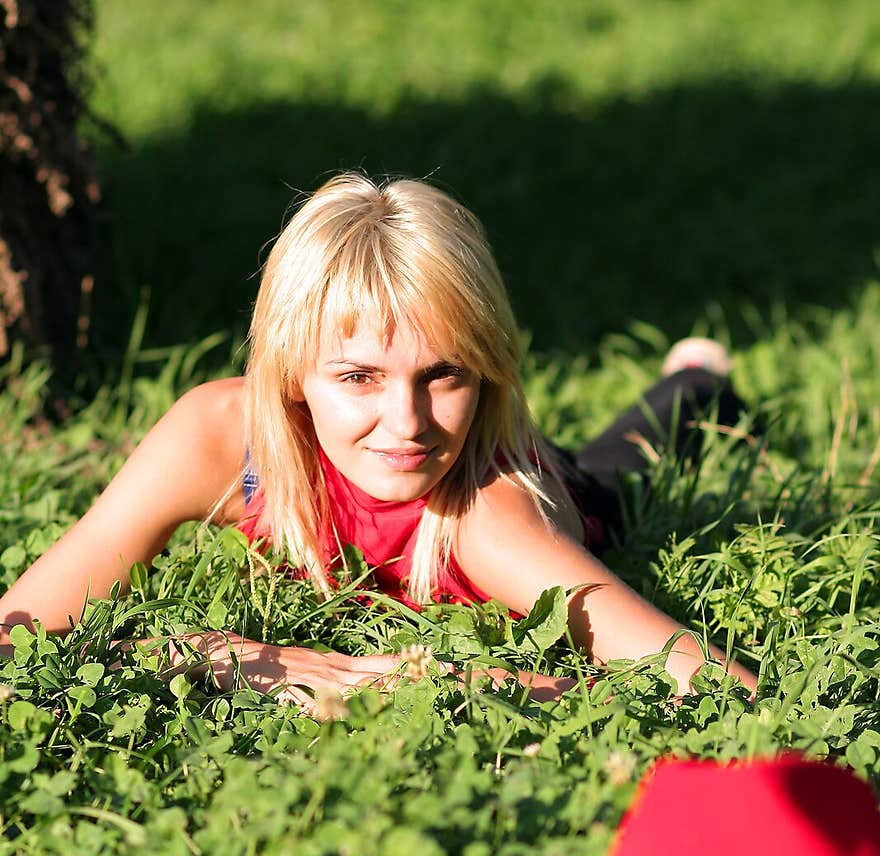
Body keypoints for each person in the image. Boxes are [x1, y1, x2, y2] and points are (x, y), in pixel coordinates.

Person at [0, 173, 758, 707]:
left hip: (551, 488)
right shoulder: (223, 438)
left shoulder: (491, 520)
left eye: (445, 374)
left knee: (618, 465)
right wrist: (206, 651)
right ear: (293, 370)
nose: (408, 423)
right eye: (359, 377)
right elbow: (17, 633)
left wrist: (410, 677)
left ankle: (697, 382)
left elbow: (721, 691)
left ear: (487, 375)